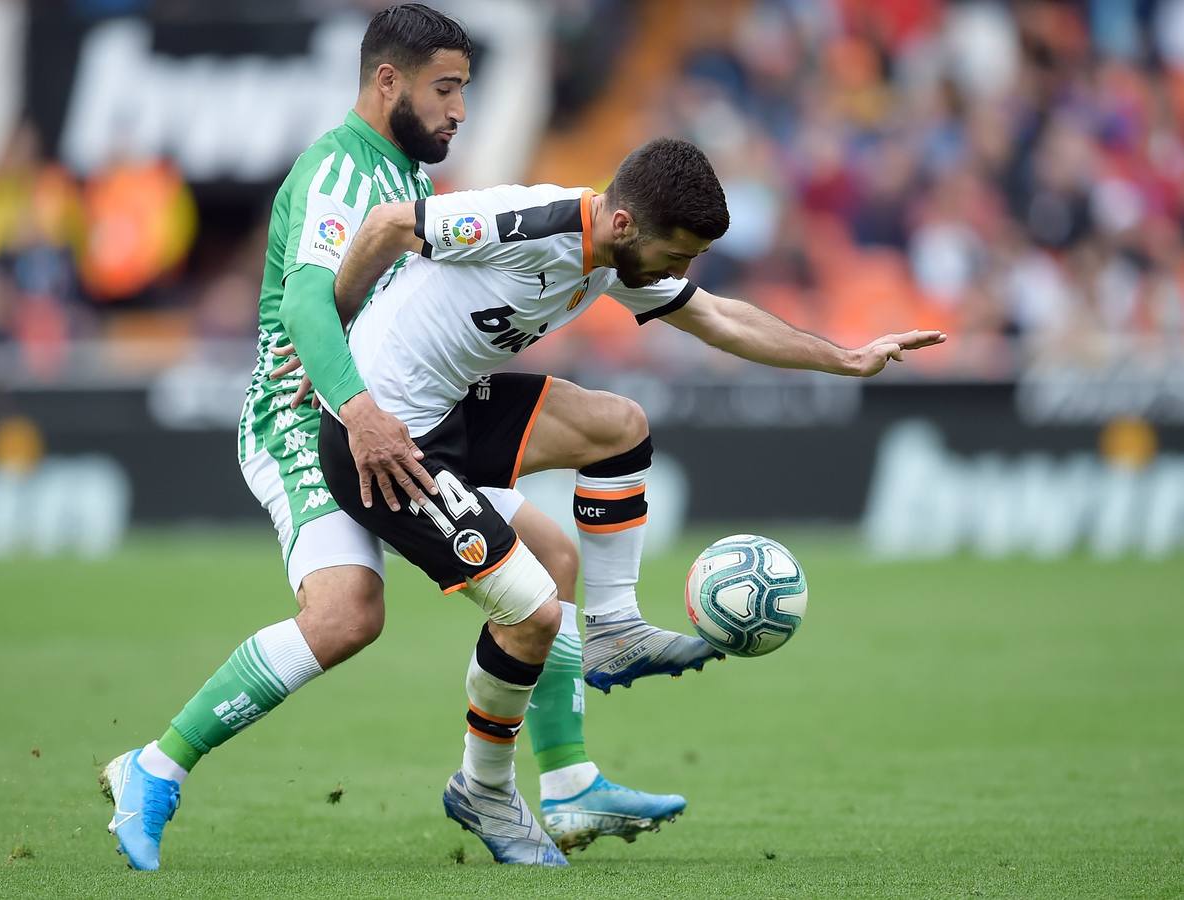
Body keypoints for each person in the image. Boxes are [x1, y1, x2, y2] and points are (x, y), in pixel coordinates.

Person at [100, 4, 694, 872]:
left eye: (464, 91)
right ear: (389, 82)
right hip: (311, 419)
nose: (460, 110)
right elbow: (307, 303)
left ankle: (567, 784)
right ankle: (152, 770)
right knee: (347, 615)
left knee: (556, 560)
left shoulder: (401, 179)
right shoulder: (343, 172)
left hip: (405, 417)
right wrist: (357, 408)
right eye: (447, 88)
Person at [312, 136, 946, 866]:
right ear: (623, 226)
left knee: (619, 431)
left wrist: (846, 357)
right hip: (382, 439)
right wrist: (329, 354)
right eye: (677, 256)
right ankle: (482, 787)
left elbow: (721, 319)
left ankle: (611, 631)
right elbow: (390, 224)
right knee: (536, 608)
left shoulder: (615, 254)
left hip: (447, 409)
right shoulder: (529, 223)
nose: (681, 274)